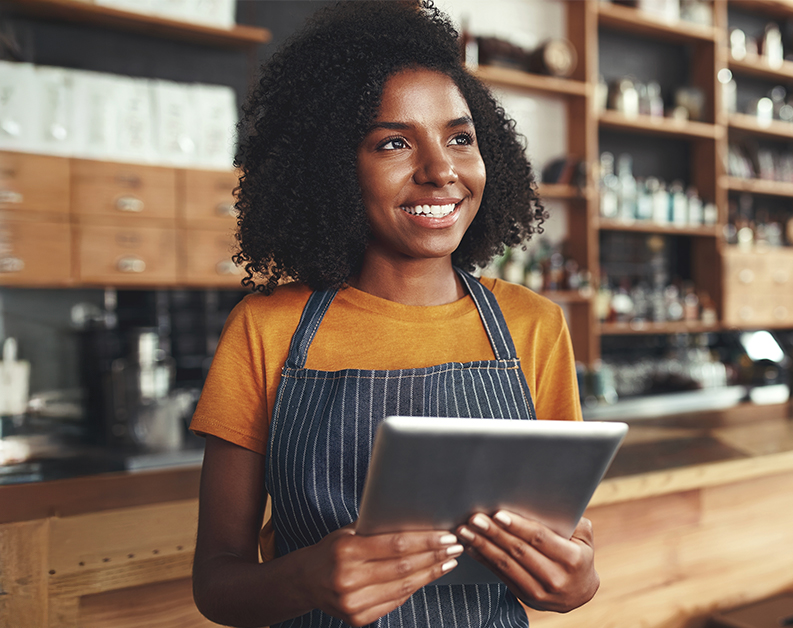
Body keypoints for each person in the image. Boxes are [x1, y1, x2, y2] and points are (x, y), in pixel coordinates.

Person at [188, 3, 596, 627]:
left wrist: (575, 581)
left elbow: (563, 543)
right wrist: (304, 579)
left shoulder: (532, 326)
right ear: (332, 169)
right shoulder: (267, 329)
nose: (441, 170)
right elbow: (217, 583)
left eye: (460, 137)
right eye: (394, 143)